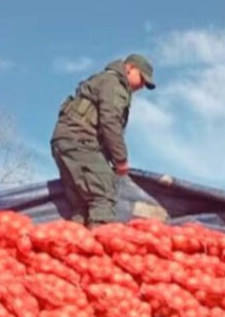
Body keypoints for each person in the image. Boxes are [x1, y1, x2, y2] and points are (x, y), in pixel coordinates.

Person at [51, 54, 155, 226]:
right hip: (80, 142)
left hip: (65, 143)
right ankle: (99, 247)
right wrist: (120, 159)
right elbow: (110, 121)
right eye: (142, 79)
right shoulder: (114, 84)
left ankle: (76, 245)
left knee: (82, 205)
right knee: (104, 194)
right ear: (129, 68)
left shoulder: (104, 80)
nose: (142, 86)